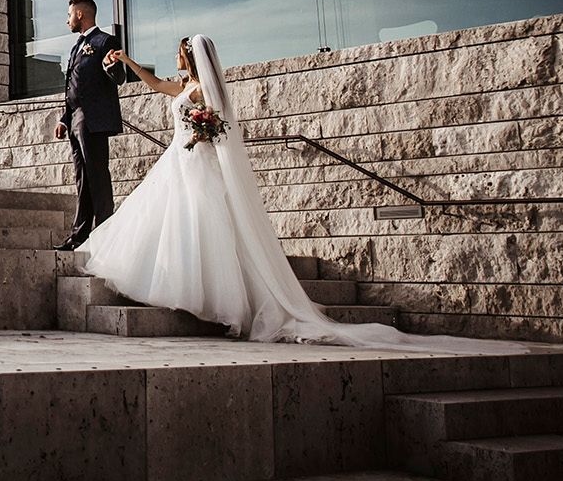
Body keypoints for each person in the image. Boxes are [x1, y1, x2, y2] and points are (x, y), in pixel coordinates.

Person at [81, 34, 523, 351]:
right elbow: (159, 88)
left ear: (193, 59)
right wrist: (133, 63)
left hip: (195, 160)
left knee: (200, 222)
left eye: (181, 55)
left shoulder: (204, 90)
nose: (178, 61)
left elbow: (217, 125)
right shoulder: (185, 87)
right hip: (178, 160)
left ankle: (206, 294)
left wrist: (199, 134)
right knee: (168, 218)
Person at [52, 0, 131, 251]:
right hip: (75, 118)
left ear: (80, 15)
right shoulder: (76, 47)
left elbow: (119, 77)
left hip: (92, 118)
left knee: (97, 175)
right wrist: (65, 118)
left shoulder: (104, 41)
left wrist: (110, 67)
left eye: (69, 15)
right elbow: (72, 87)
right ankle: (79, 236)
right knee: (82, 178)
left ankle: (105, 233)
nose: (67, 20)